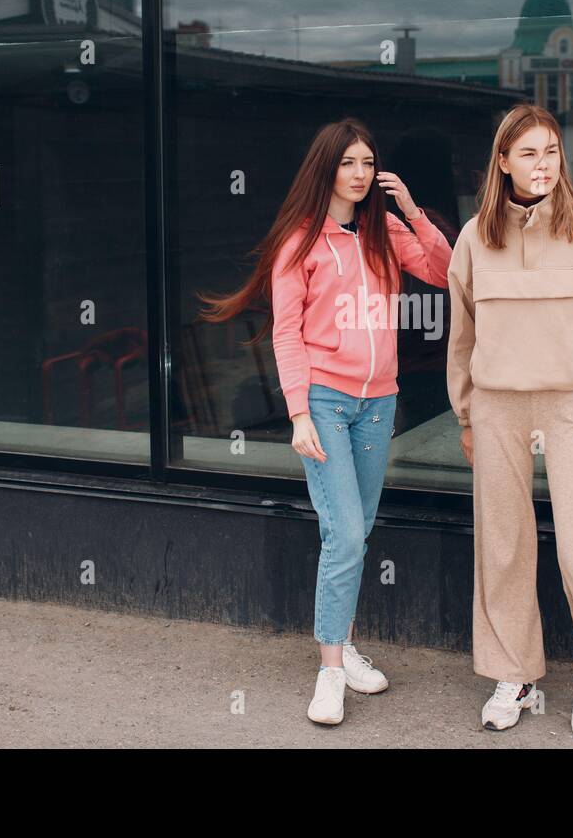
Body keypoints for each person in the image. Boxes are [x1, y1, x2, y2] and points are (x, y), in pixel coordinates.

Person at [198, 118, 452, 726]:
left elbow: (444, 273)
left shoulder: (385, 230)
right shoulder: (300, 242)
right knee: (343, 534)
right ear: (326, 170)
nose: (361, 174)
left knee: (357, 531)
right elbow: (286, 334)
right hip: (326, 404)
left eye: (368, 163)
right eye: (349, 164)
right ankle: (330, 670)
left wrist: (414, 211)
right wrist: (297, 413)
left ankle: (345, 645)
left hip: (379, 402)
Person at [446, 103, 573, 738]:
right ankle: (515, 673)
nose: (543, 165)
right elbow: (462, 339)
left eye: (551, 151)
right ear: (502, 162)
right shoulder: (475, 237)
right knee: (503, 544)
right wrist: (468, 415)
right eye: (528, 153)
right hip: (498, 404)